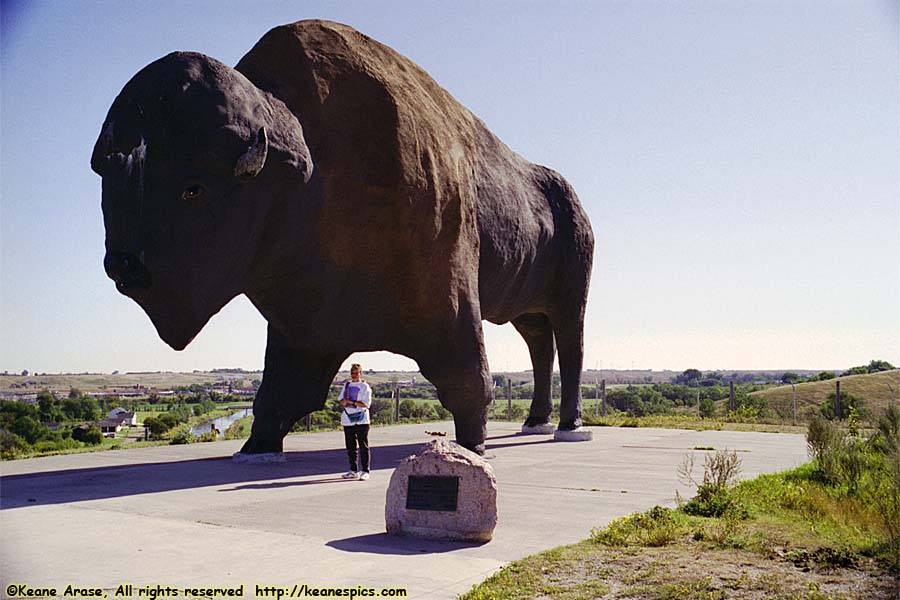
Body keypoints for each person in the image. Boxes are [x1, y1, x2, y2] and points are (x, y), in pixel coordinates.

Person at [339, 363, 372, 480]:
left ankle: (365, 470)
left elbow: (366, 404)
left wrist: (352, 402)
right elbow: (341, 400)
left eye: (356, 373)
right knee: (350, 446)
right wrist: (344, 402)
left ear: (360, 374)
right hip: (348, 420)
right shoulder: (347, 385)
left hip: (362, 420)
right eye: (352, 373)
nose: (354, 375)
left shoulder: (365, 387)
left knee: (363, 446)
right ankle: (353, 470)